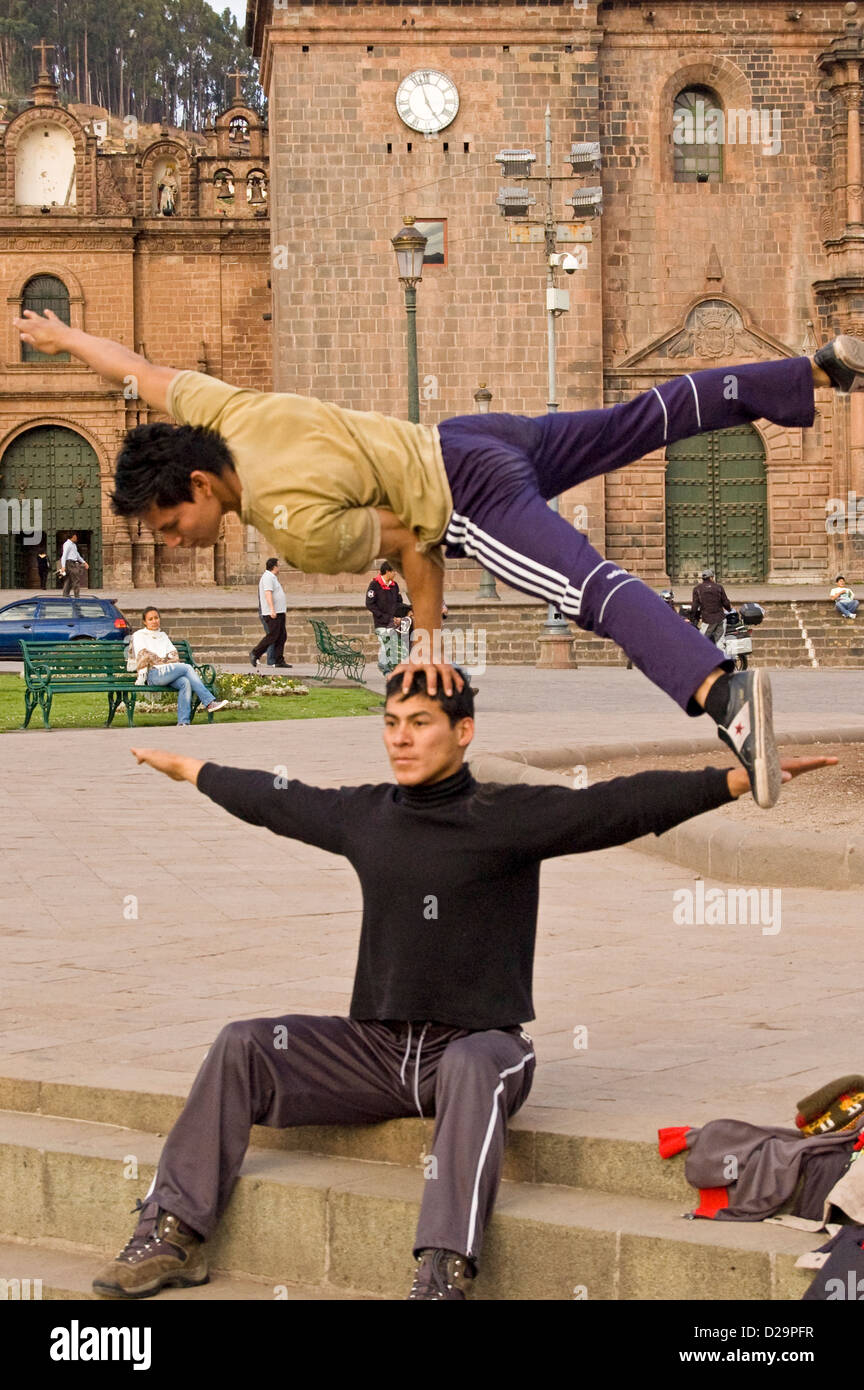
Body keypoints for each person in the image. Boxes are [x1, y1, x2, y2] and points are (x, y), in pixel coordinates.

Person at [90, 670, 836, 1302]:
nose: (401, 738)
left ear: (465, 732)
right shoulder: (365, 816)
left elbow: (618, 805)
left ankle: (443, 1269)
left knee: (477, 1066)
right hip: (378, 1052)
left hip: (477, 1047)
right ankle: (173, 1231)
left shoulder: (507, 815)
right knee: (242, 1045)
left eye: (419, 722)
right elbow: (277, 799)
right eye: (391, 723)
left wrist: (737, 779)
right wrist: (193, 769)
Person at [15, 311, 864, 806]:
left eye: (169, 525)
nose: (174, 542)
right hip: (472, 433)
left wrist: (425, 642)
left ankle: (726, 691)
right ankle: (813, 372)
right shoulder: (225, 411)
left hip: (469, 494)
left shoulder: (292, 524)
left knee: (589, 590)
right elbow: (146, 372)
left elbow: (417, 543)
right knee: (643, 417)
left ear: (198, 483)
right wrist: (66, 337)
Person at [129, 606, 228, 725]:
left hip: (167, 672)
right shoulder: (139, 635)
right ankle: (209, 702)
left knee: (184, 682)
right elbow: (143, 655)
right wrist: (162, 661)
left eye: (156, 618)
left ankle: (183, 722)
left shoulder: (163, 636)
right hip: (154, 675)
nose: (154, 621)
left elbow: (173, 655)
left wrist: (161, 661)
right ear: (144, 622)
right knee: (187, 667)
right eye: (150, 619)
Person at [250, 557, 291, 669]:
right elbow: (268, 594)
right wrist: (272, 609)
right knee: (273, 635)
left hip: (280, 611)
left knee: (282, 636)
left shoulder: (272, 577)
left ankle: (279, 660)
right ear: (274, 566)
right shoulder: (267, 577)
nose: (279, 567)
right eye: (278, 565)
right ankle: (255, 653)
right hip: (272, 612)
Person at [365, 560, 403, 675]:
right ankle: (385, 667)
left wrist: (400, 615)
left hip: (393, 622)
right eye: (394, 571)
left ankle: (384, 665)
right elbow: (369, 604)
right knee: (385, 642)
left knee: (391, 644)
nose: (395, 573)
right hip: (381, 622)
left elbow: (399, 602)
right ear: (387, 571)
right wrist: (382, 616)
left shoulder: (394, 585)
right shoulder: (374, 585)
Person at [690, 568, 732, 646]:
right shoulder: (719, 587)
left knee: (700, 641)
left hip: (708, 620)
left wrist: (693, 618)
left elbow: (695, 606)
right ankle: (722, 657)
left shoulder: (697, 589)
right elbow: (726, 602)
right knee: (720, 642)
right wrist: (729, 609)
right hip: (720, 619)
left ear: (703, 578)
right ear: (711, 577)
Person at [59, 531, 88, 598]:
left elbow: (77, 555)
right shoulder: (67, 544)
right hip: (70, 563)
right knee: (76, 580)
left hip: (72, 563)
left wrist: (84, 562)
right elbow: (64, 555)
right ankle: (77, 596)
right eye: (76, 536)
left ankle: (65, 595)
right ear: (73, 537)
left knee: (69, 580)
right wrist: (63, 566)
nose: (77, 537)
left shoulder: (73, 545)